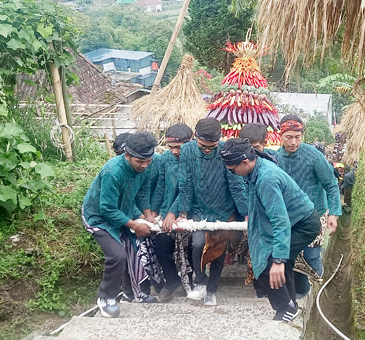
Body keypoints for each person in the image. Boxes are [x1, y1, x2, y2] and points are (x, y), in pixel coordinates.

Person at [220, 138, 319, 322]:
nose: (232, 173)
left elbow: (280, 222)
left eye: (232, 170)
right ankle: (290, 303)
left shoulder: (267, 179)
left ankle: (286, 307)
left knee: (271, 262)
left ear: (244, 162)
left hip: (302, 223)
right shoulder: (256, 167)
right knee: (275, 260)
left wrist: (279, 259)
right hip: (294, 220)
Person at [167, 118, 248, 306]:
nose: (207, 150)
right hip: (199, 208)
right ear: (195, 137)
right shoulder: (187, 151)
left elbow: (236, 185)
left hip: (223, 208)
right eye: (203, 146)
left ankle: (212, 290)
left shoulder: (225, 151)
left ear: (218, 141)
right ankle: (200, 281)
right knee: (197, 244)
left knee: (218, 249)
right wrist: (183, 212)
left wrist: (245, 213)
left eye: (212, 147)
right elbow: (185, 183)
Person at [81, 132, 160, 318]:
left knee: (134, 251)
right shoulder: (113, 171)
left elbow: (143, 192)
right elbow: (107, 208)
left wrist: (148, 216)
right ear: (127, 155)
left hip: (123, 210)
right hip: (98, 216)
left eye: (148, 160)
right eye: (139, 161)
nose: (144, 165)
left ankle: (135, 293)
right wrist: (134, 224)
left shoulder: (147, 165)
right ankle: (106, 298)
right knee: (117, 255)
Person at [276, 115, 342, 298]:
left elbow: (331, 184)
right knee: (291, 254)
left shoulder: (314, 156)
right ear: (280, 135)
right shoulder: (275, 158)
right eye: (289, 137)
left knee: (312, 256)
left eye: (298, 137)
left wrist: (333, 214)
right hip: (289, 217)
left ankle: (316, 292)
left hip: (314, 214)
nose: (293, 142)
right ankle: (298, 291)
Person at [152, 124, 194, 302]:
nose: (175, 151)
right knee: (161, 247)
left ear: (190, 142)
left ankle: (190, 283)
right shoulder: (165, 159)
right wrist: (154, 212)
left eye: (179, 147)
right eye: (172, 147)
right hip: (166, 211)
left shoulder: (194, 159)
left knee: (189, 250)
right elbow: (161, 186)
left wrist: (172, 212)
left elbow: (187, 189)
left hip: (188, 211)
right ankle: (172, 280)